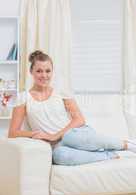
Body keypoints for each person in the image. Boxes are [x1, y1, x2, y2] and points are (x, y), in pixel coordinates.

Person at [8, 50, 136, 166]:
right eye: (39, 71)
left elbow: (79, 120)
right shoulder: (23, 98)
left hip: (75, 134)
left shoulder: (61, 92)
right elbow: (13, 133)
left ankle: (128, 145)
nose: (44, 75)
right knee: (59, 156)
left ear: (52, 71)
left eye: (48, 71)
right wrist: (35, 134)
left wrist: (55, 135)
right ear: (31, 72)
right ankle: (111, 155)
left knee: (69, 136)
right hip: (57, 145)